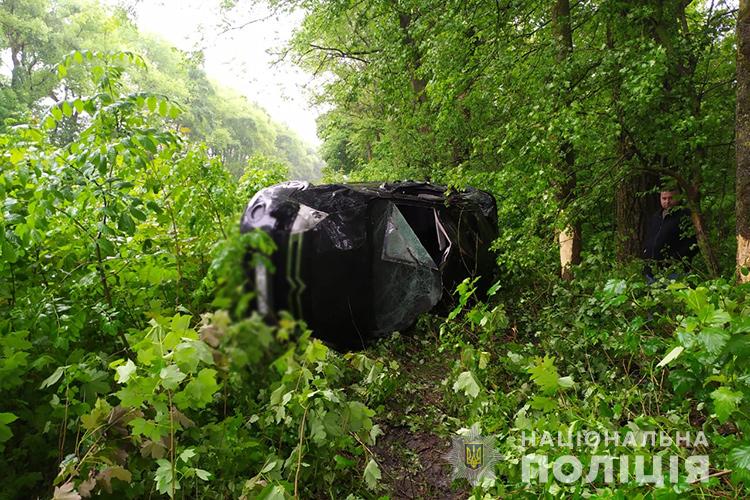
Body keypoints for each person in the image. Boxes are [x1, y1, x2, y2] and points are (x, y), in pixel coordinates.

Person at [642, 188, 697, 282]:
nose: (667, 202)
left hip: (675, 271)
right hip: (653, 271)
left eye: (671, 198)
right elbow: (650, 238)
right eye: (664, 198)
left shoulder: (685, 216)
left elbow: (692, 244)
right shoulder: (656, 216)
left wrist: (675, 259)